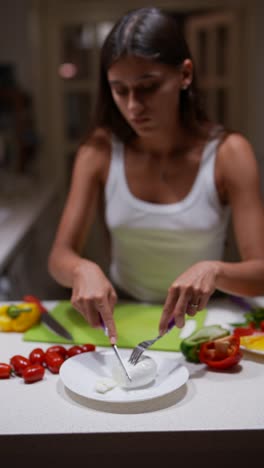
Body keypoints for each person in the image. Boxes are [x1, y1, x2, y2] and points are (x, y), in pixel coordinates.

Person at [48, 7, 264, 344]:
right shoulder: (99, 151)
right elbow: (59, 256)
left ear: (185, 75)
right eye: (120, 90)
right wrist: (80, 269)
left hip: (203, 320)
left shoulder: (229, 152)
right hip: (123, 313)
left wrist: (215, 270)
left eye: (148, 87)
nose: (134, 107)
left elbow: (260, 272)